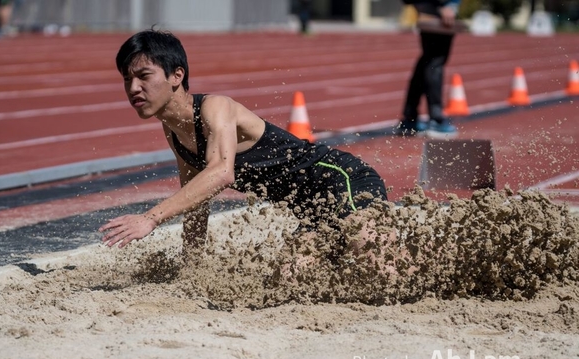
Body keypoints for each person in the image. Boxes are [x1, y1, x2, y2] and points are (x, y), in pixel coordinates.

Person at [99, 29, 388, 252]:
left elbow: (222, 173)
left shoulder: (215, 108)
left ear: (177, 76)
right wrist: (190, 264)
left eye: (143, 76)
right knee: (291, 274)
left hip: (343, 180)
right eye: (127, 79)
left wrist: (150, 217)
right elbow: (196, 197)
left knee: (371, 257)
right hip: (312, 209)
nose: (133, 87)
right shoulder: (173, 130)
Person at [397, 0, 461, 138]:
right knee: (434, 62)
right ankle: (435, 120)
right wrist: (441, 5)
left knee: (427, 61)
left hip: (432, 9)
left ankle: (410, 118)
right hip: (437, 11)